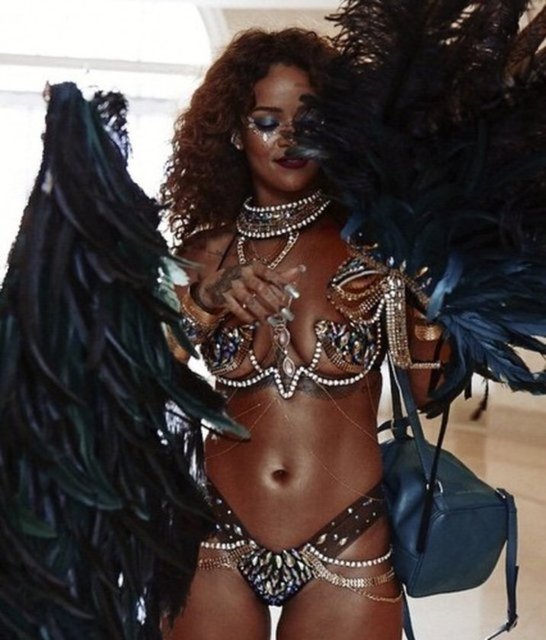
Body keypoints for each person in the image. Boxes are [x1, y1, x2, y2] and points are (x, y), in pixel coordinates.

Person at [160, 28, 444, 640]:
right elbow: (135, 375)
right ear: (234, 133)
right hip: (215, 533)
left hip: (349, 539)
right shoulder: (203, 254)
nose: (289, 139)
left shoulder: (375, 246)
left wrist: (431, 293)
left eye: (309, 121)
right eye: (267, 122)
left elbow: (429, 394)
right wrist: (205, 302)